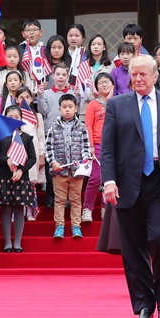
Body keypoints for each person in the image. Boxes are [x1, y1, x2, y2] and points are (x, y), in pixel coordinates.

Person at [101, 55, 160, 318]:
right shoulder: (118, 105)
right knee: (132, 250)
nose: (138, 79)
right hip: (127, 183)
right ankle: (144, 304)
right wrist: (109, 181)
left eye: (143, 74)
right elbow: (107, 148)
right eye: (134, 74)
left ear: (156, 76)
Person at [0, 106, 37, 253]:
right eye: (10, 116)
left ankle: (17, 242)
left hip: (21, 178)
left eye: (16, 117)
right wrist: (7, 160)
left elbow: (32, 158)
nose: (13, 119)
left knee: (19, 209)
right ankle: (7, 242)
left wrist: (21, 170)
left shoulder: (26, 137)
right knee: (5, 209)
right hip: (4, 178)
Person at [46, 94, 91, 239]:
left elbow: (86, 147)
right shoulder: (53, 127)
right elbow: (48, 148)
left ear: (76, 109)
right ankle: (59, 226)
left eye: (70, 107)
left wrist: (84, 159)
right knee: (59, 200)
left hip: (77, 171)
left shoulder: (82, 127)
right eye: (64, 107)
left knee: (76, 200)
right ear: (59, 109)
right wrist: (53, 162)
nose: (67, 110)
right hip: (59, 171)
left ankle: (76, 226)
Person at [37, 63, 79, 208]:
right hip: (51, 132)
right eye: (58, 74)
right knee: (51, 166)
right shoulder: (47, 93)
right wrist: (40, 95)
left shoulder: (72, 93)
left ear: (68, 76)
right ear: (53, 76)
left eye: (64, 75)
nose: (61, 77)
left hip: (69, 133)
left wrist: (78, 95)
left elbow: (76, 111)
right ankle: (51, 196)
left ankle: (66, 197)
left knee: (67, 165)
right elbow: (43, 111)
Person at [82, 72, 114, 222]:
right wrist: (90, 145)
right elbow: (88, 125)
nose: (104, 84)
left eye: (107, 82)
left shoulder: (117, 103)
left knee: (110, 178)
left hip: (114, 146)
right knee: (95, 178)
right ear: (96, 87)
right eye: (101, 82)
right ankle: (87, 208)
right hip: (97, 145)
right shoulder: (93, 104)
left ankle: (105, 208)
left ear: (113, 85)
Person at [15, 86, 46, 221]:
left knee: (30, 182)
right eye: (21, 97)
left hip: (32, 153)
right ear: (16, 99)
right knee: (19, 182)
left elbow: (41, 137)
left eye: (27, 97)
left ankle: (30, 210)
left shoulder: (37, 116)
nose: (24, 100)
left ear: (32, 98)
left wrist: (41, 155)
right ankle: (18, 210)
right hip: (17, 152)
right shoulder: (13, 114)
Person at [19, 19, 52, 86]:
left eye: (35, 30)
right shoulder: (18, 50)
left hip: (43, 85)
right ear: (23, 34)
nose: (31, 33)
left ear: (40, 33)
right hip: (24, 86)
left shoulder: (46, 50)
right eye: (28, 30)